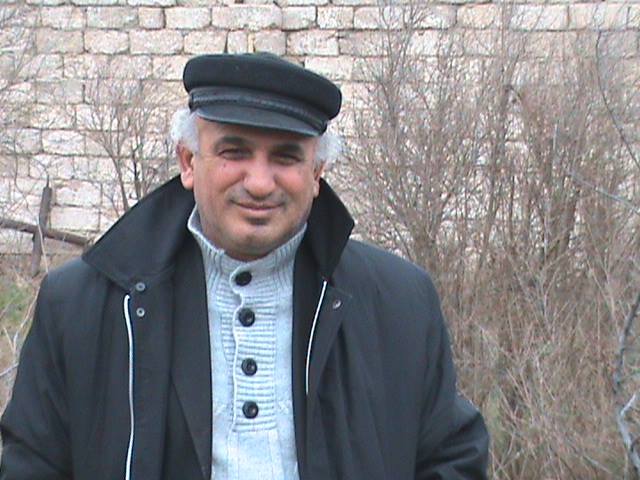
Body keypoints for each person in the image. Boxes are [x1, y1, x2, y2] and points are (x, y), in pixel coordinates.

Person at [0, 53, 489, 480]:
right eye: (234, 151)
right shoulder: (87, 305)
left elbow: (451, 458)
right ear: (188, 162)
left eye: (285, 157)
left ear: (317, 173)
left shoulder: (399, 303)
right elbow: (31, 467)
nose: (259, 182)